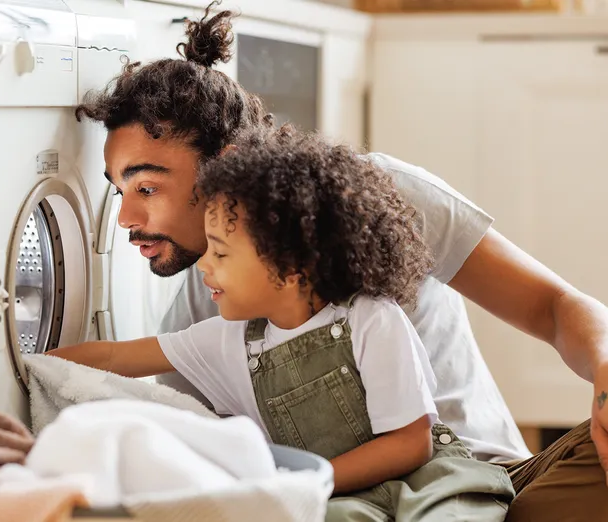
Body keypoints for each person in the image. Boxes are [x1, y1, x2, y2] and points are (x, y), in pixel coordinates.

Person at [72, 3, 608, 520]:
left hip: (480, 482)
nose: (126, 218)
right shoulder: (213, 304)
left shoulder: (376, 195)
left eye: (147, 185)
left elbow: (554, 306)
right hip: (349, 504)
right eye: (119, 191)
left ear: (226, 164)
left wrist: (605, 367)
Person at [50, 128, 515, 520]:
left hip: (425, 482)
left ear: (291, 267)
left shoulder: (372, 320)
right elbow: (115, 356)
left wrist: (313, 479)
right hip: (344, 498)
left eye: (221, 252)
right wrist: (33, 365)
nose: (203, 265)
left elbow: (410, 444)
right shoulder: (229, 339)